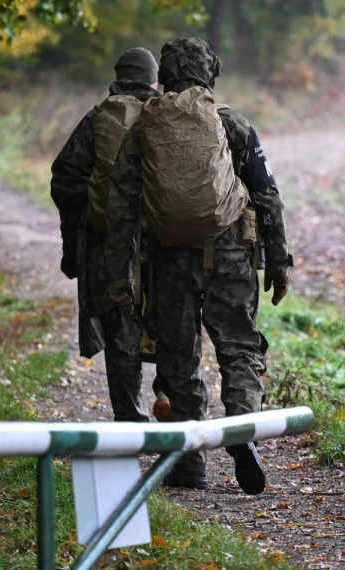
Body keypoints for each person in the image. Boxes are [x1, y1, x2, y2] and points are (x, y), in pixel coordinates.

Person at [104, 37, 290, 495]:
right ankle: (243, 428)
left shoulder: (145, 128)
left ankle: (190, 465)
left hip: (170, 257)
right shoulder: (231, 123)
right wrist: (278, 261)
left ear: (164, 77)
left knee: (179, 356)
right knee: (240, 348)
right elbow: (267, 195)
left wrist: (118, 273)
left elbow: (121, 207)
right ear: (210, 75)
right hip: (229, 254)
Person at [50, 47, 171, 423]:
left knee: (122, 334)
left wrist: (87, 222)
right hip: (168, 244)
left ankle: (131, 421)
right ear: (154, 80)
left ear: (118, 78)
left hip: (109, 245)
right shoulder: (171, 115)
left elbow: (64, 180)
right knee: (174, 325)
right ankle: (169, 396)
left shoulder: (98, 119)